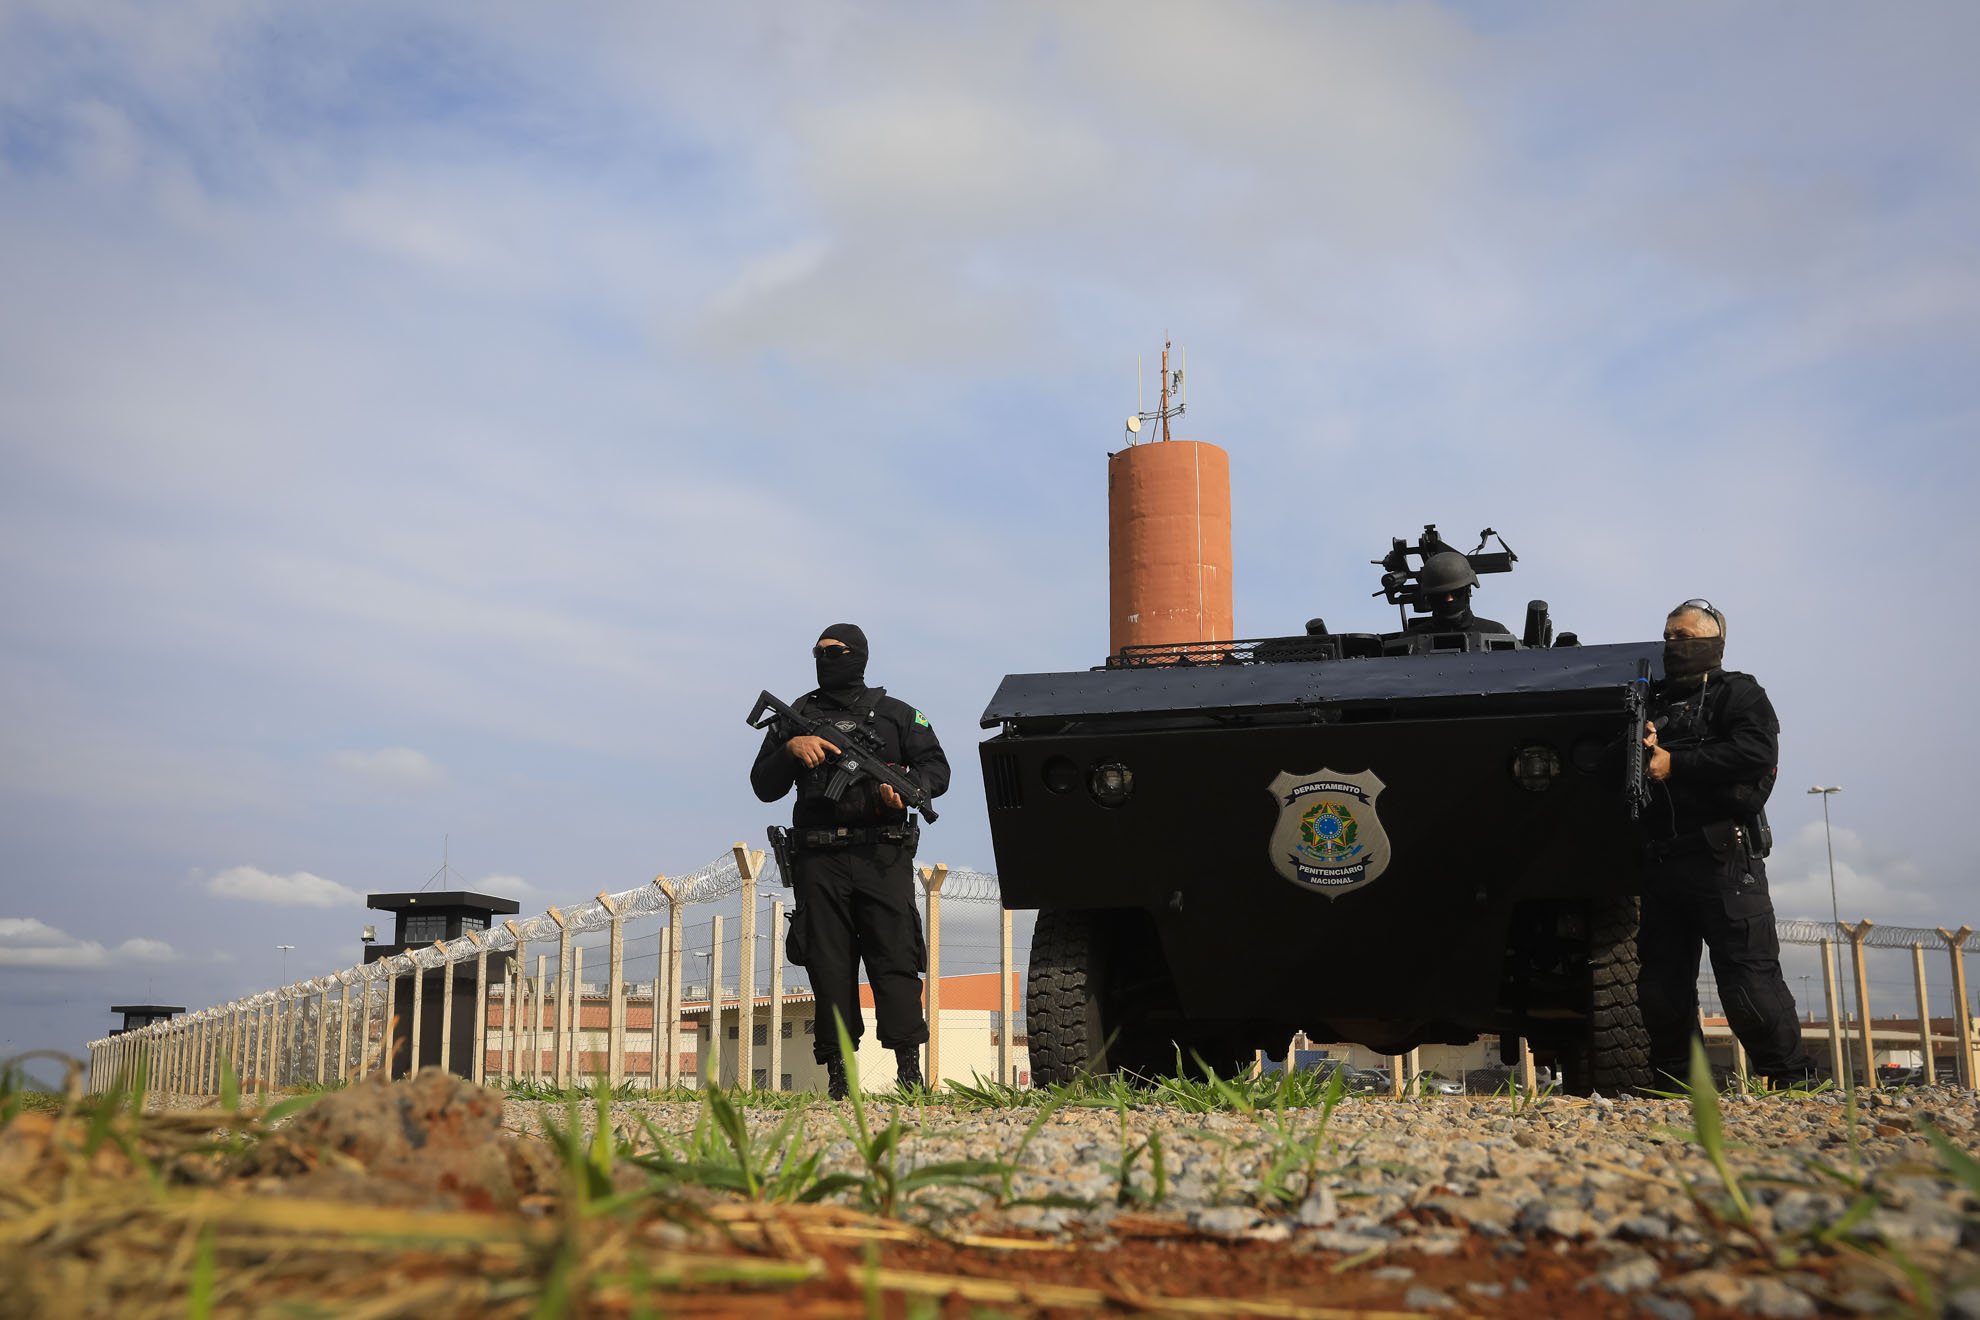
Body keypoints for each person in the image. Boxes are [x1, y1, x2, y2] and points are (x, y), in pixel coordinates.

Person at [750, 624, 949, 1098]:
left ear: (857, 655)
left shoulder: (899, 715)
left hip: (883, 854)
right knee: (828, 964)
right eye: (817, 652)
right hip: (819, 858)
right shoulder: (797, 716)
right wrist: (791, 751)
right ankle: (839, 1075)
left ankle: (909, 1070)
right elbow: (762, 785)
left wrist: (902, 789)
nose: (824, 658)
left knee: (895, 958)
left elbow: (936, 771)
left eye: (834, 652)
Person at [1637, 599, 1819, 1089]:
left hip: (1724, 861)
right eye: (1669, 637)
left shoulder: (1737, 692)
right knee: (1660, 990)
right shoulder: (1646, 701)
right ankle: (1681, 1086)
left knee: (1749, 985)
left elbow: (1756, 752)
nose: (1674, 645)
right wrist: (1638, 740)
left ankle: (1793, 1082)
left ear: (1714, 642)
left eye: (1686, 637)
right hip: (1660, 863)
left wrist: (1676, 762)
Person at [1405, 551, 1512, 640]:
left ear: (1468, 591)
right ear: (1429, 597)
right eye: (1441, 595)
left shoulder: (1495, 633)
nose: (1449, 599)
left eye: (1456, 593)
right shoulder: (1410, 639)